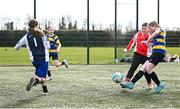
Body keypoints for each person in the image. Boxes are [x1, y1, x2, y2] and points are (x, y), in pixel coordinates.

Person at [120, 21, 166, 93]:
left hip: (159, 53)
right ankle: (131, 84)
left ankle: (159, 84)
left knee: (148, 70)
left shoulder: (160, 29)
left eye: (150, 28)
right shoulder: (147, 34)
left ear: (154, 26)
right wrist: (147, 42)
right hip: (155, 53)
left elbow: (156, 32)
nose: (149, 30)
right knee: (143, 69)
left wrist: (147, 40)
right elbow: (154, 42)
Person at [15, 19, 50, 95]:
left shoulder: (26, 36)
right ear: (36, 26)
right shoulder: (42, 34)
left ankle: (45, 90)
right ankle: (35, 80)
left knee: (42, 75)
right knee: (42, 77)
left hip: (34, 59)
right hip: (44, 58)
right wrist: (46, 37)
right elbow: (48, 46)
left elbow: (17, 47)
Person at [123, 22, 153, 89]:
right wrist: (126, 49)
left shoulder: (151, 35)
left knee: (146, 71)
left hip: (147, 55)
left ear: (148, 29)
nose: (143, 30)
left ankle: (149, 83)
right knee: (133, 67)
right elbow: (132, 42)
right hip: (137, 53)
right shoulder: (138, 34)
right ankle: (127, 81)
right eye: (142, 28)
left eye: (145, 28)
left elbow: (153, 44)